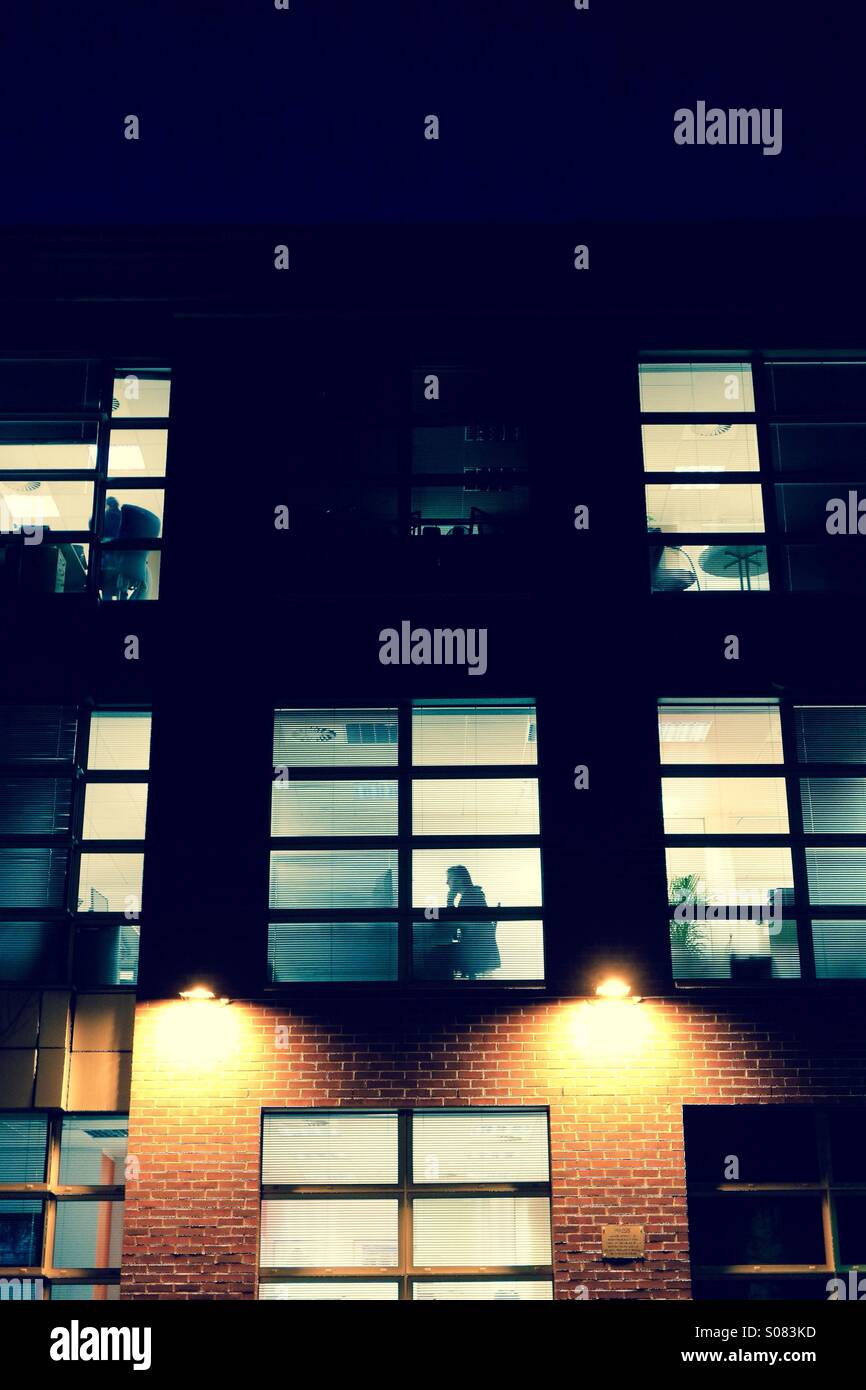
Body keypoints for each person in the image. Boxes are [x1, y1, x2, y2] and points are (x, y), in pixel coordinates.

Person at [446, 864, 500, 979]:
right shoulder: (473, 894)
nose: (447, 882)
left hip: (474, 948)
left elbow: (455, 922)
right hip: (477, 946)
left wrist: (450, 900)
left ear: (459, 879)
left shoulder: (470, 896)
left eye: (449, 878)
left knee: (437, 953)